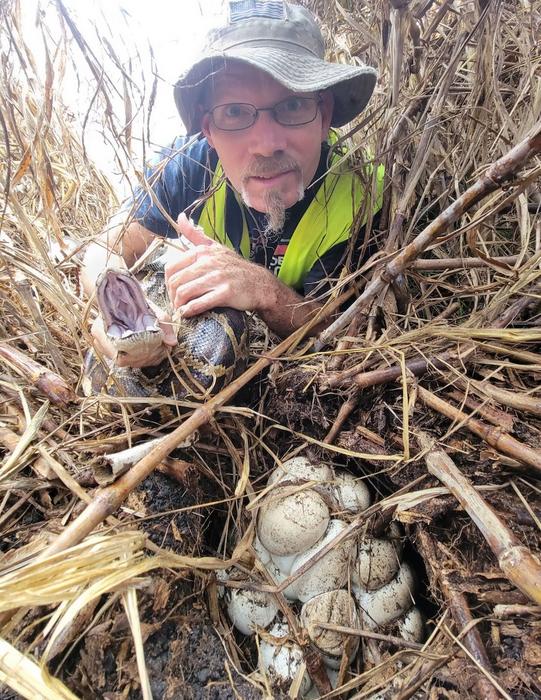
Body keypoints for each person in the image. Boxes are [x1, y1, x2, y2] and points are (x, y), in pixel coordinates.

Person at [81, 0, 383, 368]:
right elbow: (103, 250)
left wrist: (266, 293)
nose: (267, 143)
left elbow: (347, 333)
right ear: (207, 130)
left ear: (325, 117)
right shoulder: (190, 163)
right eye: (235, 113)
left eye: (291, 106)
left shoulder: (360, 193)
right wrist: (118, 315)